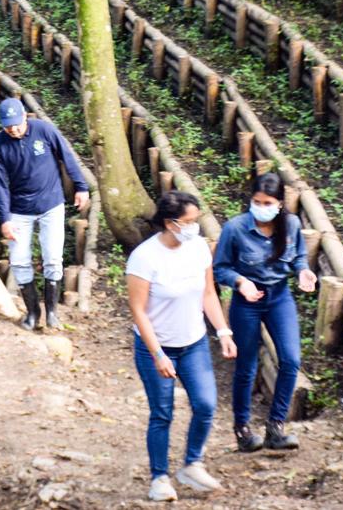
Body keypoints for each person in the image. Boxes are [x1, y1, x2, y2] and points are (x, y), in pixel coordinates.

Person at [127, 191, 236, 502]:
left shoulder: (199, 248)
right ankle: (159, 477)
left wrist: (223, 331)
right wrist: (158, 353)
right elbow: (138, 311)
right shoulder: (144, 258)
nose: (194, 227)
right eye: (188, 222)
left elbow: (208, 294)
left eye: (196, 221)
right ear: (169, 223)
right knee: (162, 413)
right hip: (156, 346)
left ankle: (192, 463)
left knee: (206, 405)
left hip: (194, 342)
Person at [213, 172, 317, 452]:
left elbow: (298, 257)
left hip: (279, 297)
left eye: (267, 202)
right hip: (246, 301)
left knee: (291, 360)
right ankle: (243, 429)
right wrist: (241, 281)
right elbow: (220, 268)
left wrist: (303, 271)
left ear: (279, 203)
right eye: (256, 201)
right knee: (247, 366)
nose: (261, 207)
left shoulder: (291, 224)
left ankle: (276, 427)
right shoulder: (235, 228)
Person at [0, 98, 88, 331]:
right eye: (8, 126)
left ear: (25, 116)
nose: (13, 129)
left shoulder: (44, 130)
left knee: (53, 257)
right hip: (19, 209)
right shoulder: (0, 146)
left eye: (16, 123)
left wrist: (81, 186)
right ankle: (33, 312)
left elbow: (67, 156)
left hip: (51, 204)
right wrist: (5, 219)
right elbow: (1, 185)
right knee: (20, 260)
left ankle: (52, 312)